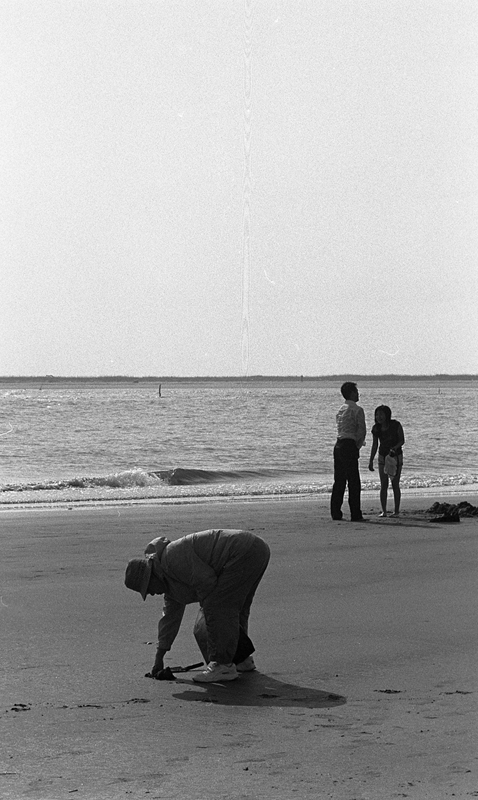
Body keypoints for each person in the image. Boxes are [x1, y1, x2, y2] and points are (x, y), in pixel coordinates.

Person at [125, 529, 270, 683]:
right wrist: (159, 657)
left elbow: (208, 583)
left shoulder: (171, 559)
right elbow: (170, 620)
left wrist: (209, 615)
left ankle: (223, 665)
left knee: (214, 611)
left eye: (148, 589)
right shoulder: (168, 579)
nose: (152, 594)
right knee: (235, 609)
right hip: (255, 549)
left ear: (152, 576)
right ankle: (241, 659)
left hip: (241, 552)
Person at [330, 381, 367, 521]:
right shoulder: (357, 410)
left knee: (339, 480)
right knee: (353, 481)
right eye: (356, 392)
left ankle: (335, 512)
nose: (358, 394)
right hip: (349, 445)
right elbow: (361, 431)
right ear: (351, 393)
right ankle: (355, 513)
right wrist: (357, 447)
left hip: (339, 444)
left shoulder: (341, 409)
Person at [368, 405, 405, 516]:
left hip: (395, 456)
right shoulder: (376, 428)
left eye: (381, 414)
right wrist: (371, 460)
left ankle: (396, 511)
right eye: (377, 415)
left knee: (395, 483)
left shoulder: (396, 425)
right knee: (383, 484)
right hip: (382, 456)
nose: (379, 417)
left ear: (387, 415)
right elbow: (375, 445)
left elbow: (402, 440)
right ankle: (384, 511)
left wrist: (395, 448)